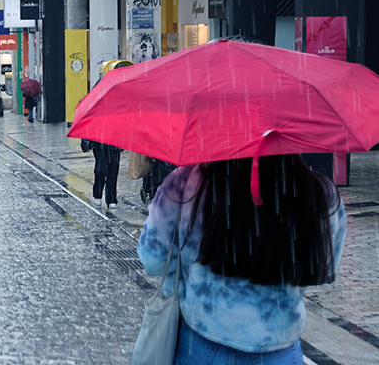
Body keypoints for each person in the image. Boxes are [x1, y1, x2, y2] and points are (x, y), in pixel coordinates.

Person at [137, 155, 347, 363]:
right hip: (279, 346)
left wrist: (192, 266)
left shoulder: (184, 182)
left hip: (201, 344)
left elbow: (153, 259)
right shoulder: (319, 192)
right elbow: (325, 267)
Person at [81, 139, 122, 209]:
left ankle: (111, 198)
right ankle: (97, 193)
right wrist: (86, 144)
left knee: (113, 172)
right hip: (99, 144)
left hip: (114, 144)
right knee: (101, 171)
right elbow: (88, 128)